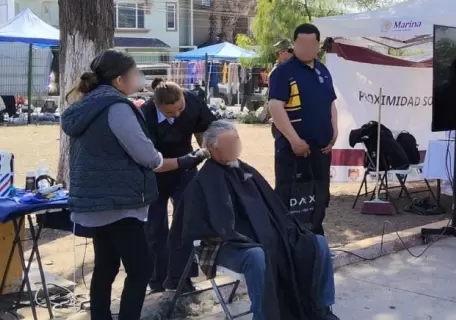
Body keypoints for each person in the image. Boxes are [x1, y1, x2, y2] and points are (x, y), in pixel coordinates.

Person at [61, 50, 206, 320]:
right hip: (119, 203)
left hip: (96, 201)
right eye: (135, 72)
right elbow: (148, 156)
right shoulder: (117, 108)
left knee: (106, 267)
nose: (139, 77)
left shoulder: (88, 104)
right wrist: (184, 160)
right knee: (140, 269)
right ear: (119, 80)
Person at [180, 120, 339, 320]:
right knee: (256, 255)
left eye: (236, 142)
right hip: (225, 245)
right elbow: (203, 228)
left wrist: (282, 229)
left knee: (317, 242)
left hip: (267, 235)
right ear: (212, 148)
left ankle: (321, 309)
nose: (235, 148)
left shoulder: (246, 170)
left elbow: (273, 207)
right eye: (229, 145)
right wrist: (243, 236)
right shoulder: (204, 181)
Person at [139, 81, 216, 292]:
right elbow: (149, 160)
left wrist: (207, 151)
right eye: (170, 113)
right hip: (154, 172)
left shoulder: (192, 101)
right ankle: (157, 279)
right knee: (154, 228)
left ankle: (182, 278)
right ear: (157, 105)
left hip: (185, 168)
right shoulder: (144, 115)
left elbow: (205, 131)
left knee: (187, 223)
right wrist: (184, 161)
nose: (177, 115)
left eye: (180, 108)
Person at [267, 24, 338, 235]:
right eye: (301, 44)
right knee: (292, 201)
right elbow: (275, 106)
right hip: (294, 151)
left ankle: (316, 240)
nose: (306, 49)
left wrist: (334, 131)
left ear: (317, 45)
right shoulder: (283, 72)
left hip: (321, 150)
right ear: (294, 44)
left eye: (311, 44)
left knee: (319, 197)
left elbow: (331, 103)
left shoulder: (323, 70)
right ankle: (291, 243)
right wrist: (294, 140)